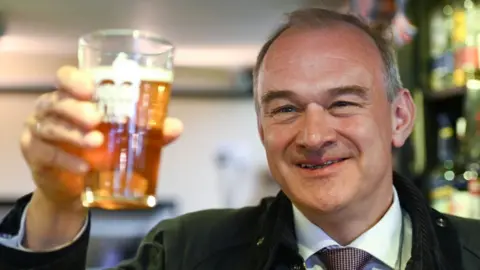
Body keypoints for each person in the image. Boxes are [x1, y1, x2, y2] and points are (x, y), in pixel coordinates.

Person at [0, 7, 479, 270]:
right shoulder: (185, 253)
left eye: (343, 103)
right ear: (262, 128)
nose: (313, 135)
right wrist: (58, 204)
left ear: (399, 117)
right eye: (285, 108)